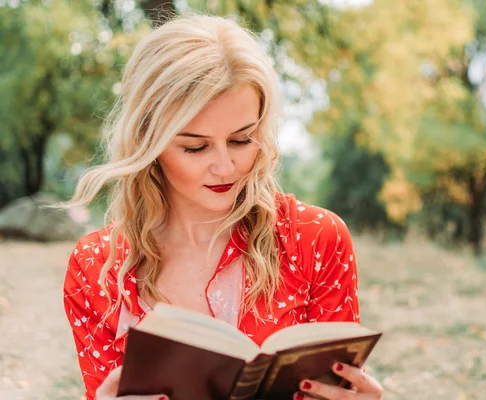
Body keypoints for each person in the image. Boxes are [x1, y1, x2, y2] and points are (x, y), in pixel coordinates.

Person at [63, 14, 383, 400]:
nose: (225, 167)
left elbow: (338, 382)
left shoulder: (315, 238)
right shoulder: (96, 267)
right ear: (148, 141)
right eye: (195, 147)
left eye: (242, 140)